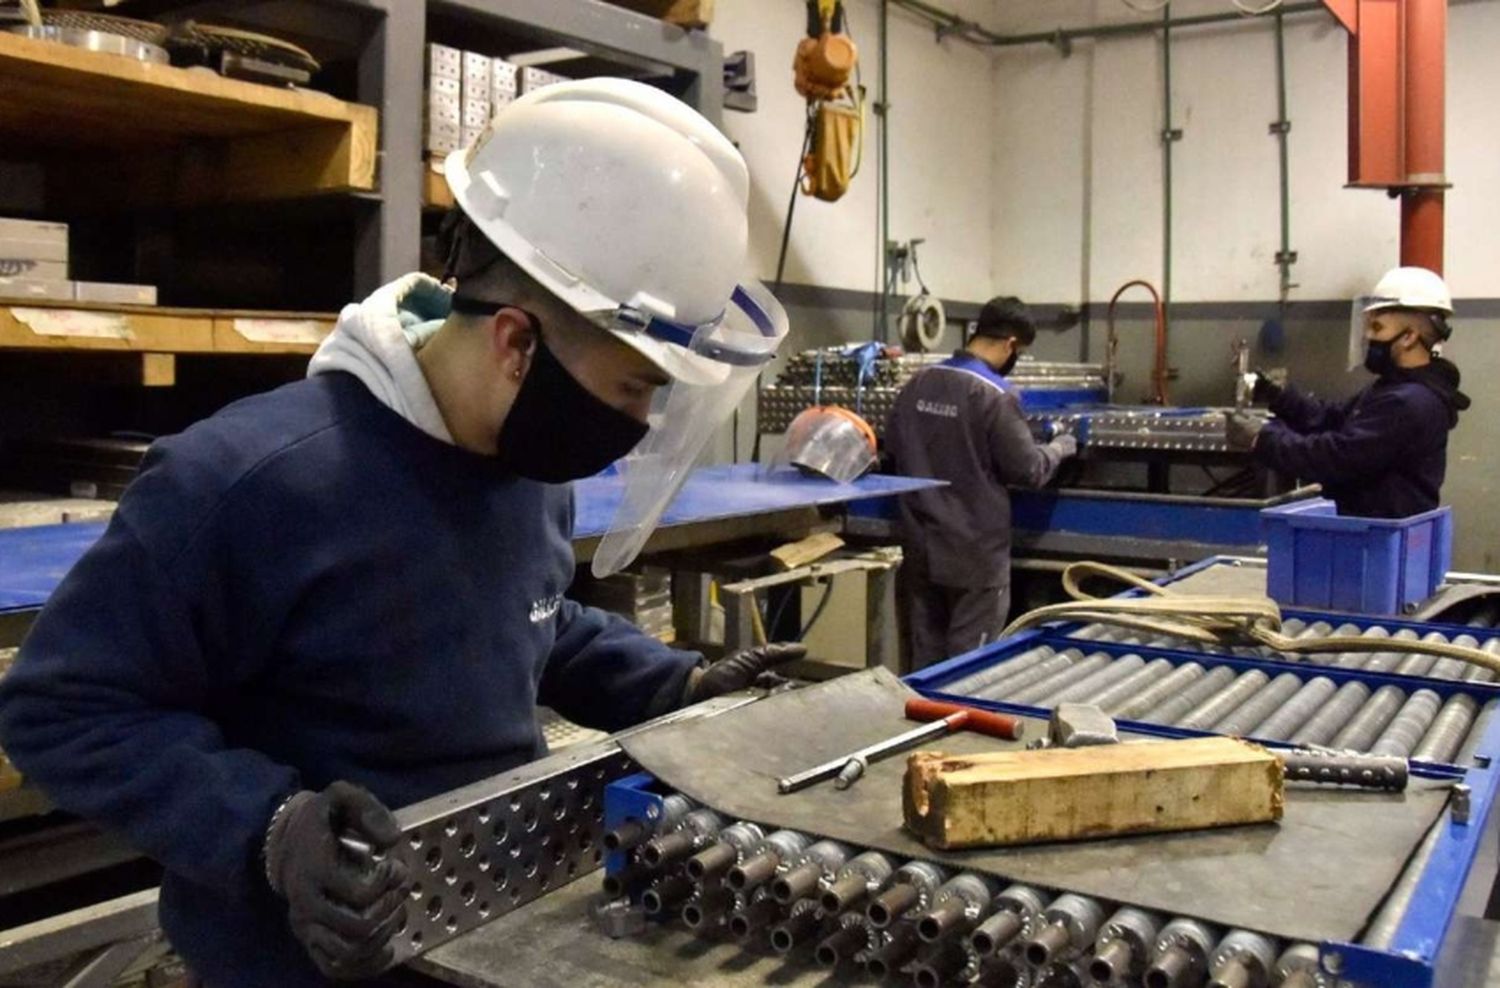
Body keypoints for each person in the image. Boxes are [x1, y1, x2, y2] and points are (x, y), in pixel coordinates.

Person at [0, 80, 801, 987]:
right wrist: (269, 826)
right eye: (630, 387)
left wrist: (674, 684)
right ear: (514, 343)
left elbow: (529, 617)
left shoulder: (521, 470)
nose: (643, 420)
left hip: (484, 928)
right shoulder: (251, 482)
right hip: (303, 954)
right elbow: (59, 709)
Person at [885, 297, 1079, 668]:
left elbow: (893, 448)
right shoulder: (995, 396)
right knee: (967, 671)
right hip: (974, 558)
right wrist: (1061, 447)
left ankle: (925, 725)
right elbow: (1029, 470)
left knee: (924, 665)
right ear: (1011, 345)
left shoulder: (918, 384)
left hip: (920, 548)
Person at [1227, 266, 1470, 518]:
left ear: (1409, 336)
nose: (1368, 335)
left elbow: (1336, 457)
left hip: (1376, 539)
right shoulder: (1393, 387)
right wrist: (1280, 396)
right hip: (1365, 527)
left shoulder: (1409, 402)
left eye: (1377, 328)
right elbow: (1335, 418)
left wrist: (1262, 439)